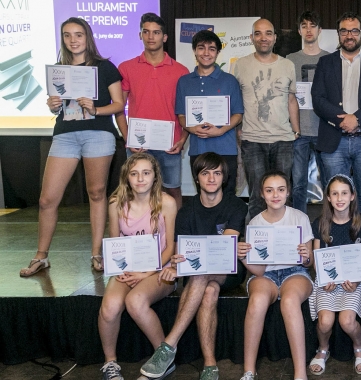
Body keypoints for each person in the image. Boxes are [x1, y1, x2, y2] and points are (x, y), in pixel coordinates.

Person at [21, 17, 124, 277]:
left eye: (78, 35)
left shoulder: (105, 67)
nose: (73, 40)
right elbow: (58, 105)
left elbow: (119, 104)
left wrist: (96, 108)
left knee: (97, 193)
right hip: (65, 135)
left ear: (87, 37)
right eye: (67, 35)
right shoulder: (59, 69)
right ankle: (41, 256)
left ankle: (97, 253)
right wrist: (53, 105)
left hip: (98, 133)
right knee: (46, 199)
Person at [139, 153, 248, 380]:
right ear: (197, 178)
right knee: (208, 291)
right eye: (205, 173)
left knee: (202, 272)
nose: (211, 178)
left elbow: (224, 249)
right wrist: (175, 263)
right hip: (198, 272)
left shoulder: (236, 206)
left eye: (217, 173)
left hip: (228, 270)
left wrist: (184, 263)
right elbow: (181, 252)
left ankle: (168, 345)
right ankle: (210, 365)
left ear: (224, 177)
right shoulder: (186, 211)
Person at [98, 153, 178, 380]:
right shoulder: (116, 203)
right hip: (127, 268)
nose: (140, 178)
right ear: (127, 177)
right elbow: (115, 245)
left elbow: (170, 248)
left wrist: (146, 273)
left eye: (146, 173)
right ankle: (110, 363)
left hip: (158, 269)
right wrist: (124, 271)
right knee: (110, 306)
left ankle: (164, 357)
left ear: (155, 176)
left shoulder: (167, 203)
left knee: (135, 301)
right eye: (134, 173)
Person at [311, 11, 361, 218]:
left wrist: (357, 119)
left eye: (354, 30)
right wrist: (344, 120)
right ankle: (339, 242)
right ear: (338, 34)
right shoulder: (325, 63)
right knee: (337, 195)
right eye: (344, 30)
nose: (349, 35)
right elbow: (318, 99)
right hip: (333, 139)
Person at [238, 171, 314, 380]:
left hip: (295, 272)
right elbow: (259, 270)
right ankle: (249, 370)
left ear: (288, 192)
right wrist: (243, 258)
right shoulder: (255, 222)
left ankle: (300, 373)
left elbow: (308, 263)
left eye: (280, 189)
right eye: (269, 190)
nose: (275, 195)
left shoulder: (300, 217)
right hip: (266, 275)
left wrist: (307, 256)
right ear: (262, 194)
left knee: (289, 301)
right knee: (258, 300)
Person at [116, 13, 189, 209]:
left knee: (172, 191)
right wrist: (128, 138)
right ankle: (138, 234)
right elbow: (119, 108)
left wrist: (182, 141)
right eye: (146, 32)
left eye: (156, 32)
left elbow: (187, 112)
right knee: (134, 192)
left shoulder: (181, 71)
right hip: (138, 144)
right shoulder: (126, 68)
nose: (151, 37)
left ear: (164, 37)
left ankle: (172, 236)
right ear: (140, 35)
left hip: (170, 144)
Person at [232, 19, 301, 220]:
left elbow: (291, 99)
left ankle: (284, 241)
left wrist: (295, 131)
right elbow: (234, 101)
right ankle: (255, 241)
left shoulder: (287, 65)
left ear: (275, 38)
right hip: (252, 140)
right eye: (259, 33)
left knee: (282, 195)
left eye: (268, 33)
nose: (264, 38)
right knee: (256, 196)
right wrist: (238, 128)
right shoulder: (240, 65)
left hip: (283, 140)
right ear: (251, 37)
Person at [307, 174, 361, 376]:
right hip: (327, 281)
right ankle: (323, 348)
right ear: (327, 197)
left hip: (354, 280)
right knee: (325, 321)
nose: (339, 198)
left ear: (352, 196)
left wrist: (356, 280)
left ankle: (359, 347)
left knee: (347, 321)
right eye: (334, 193)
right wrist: (327, 279)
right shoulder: (320, 223)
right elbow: (318, 258)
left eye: (344, 193)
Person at [176, 30, 244, 194]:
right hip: (198, 150)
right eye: (201, 48)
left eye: (212, 49)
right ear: (194, 51)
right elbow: (181, 115)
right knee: (204, 197)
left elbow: (238, 114)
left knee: (227, 196)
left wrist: (221, 130)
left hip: (225, 149)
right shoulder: (184, 82)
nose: (206, 53)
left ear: (218, 53)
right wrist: (192, 129)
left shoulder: (229, 80)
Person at [287, 11, 329, 214]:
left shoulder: (330, 59)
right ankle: (299, 225)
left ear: (320, 30)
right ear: (299, 30)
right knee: (298, 185)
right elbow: (288, 96)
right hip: (299, 132)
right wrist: (294, 129)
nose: (308, 30)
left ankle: (331, 225)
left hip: (324, 131)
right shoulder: (289, 59)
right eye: (304, 26)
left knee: (331, 183)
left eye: (313, 26)